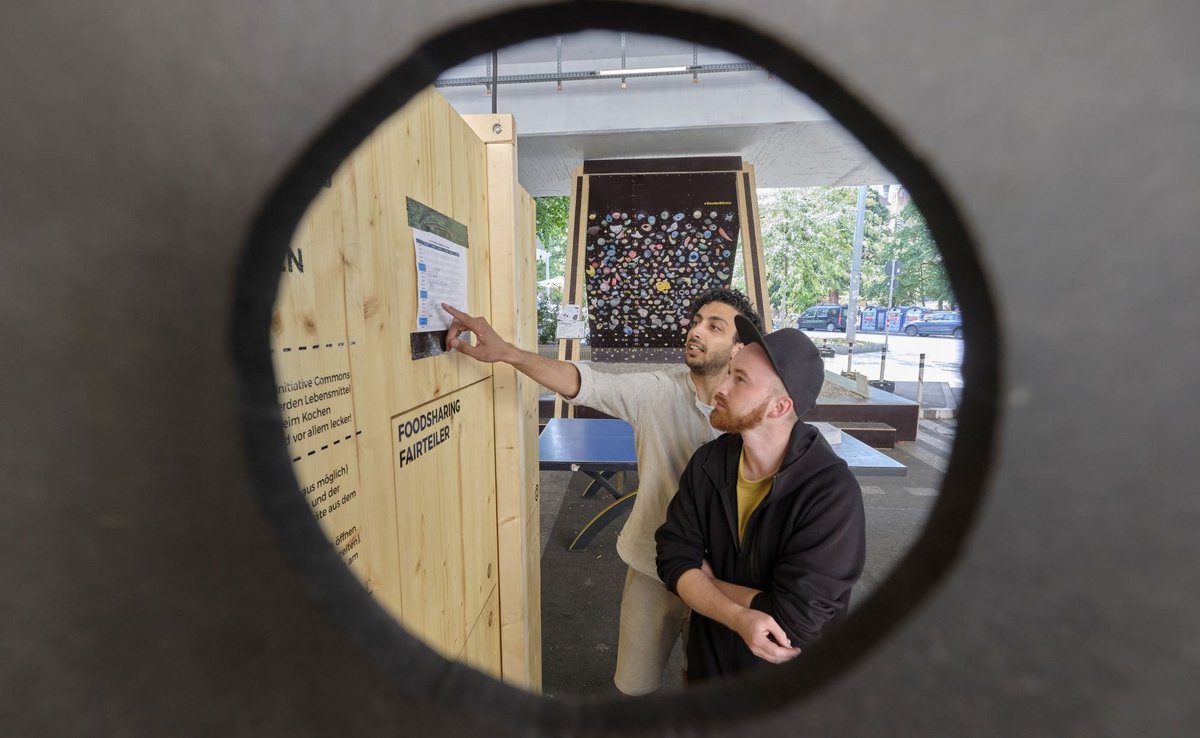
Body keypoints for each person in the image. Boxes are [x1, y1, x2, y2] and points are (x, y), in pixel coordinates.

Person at [441, 289, 763, 696]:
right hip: (653, 566)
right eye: (696, 320)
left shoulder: (757, 410)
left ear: (740, 348)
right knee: (634, 687)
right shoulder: (658, 392)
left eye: (714, 326)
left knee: (708, 686)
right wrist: (508, 353)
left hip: (726, 579)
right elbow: (584, 382)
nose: (696, 331)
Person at [655, 316, 865, 681]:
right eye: (729, 372)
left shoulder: (830, 492)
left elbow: (795, 623)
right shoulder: (709, 462)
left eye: (739, 380)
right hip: (710, 670)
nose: (720, 386)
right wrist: (737, 615)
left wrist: (708, 585)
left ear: (779, 408)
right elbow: (672, 559)